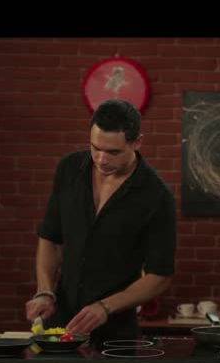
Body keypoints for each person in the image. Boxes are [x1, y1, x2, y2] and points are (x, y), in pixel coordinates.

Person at [25, 99, 176, 342]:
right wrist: (44, 291)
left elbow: (160, 276)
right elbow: (51, 239)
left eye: (113, 152)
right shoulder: (68, 169)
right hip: (60, 323)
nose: (101, 159)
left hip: (116, 332)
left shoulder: (157, 196)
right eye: (95, 148)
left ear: (137, 142)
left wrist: (105, 307)